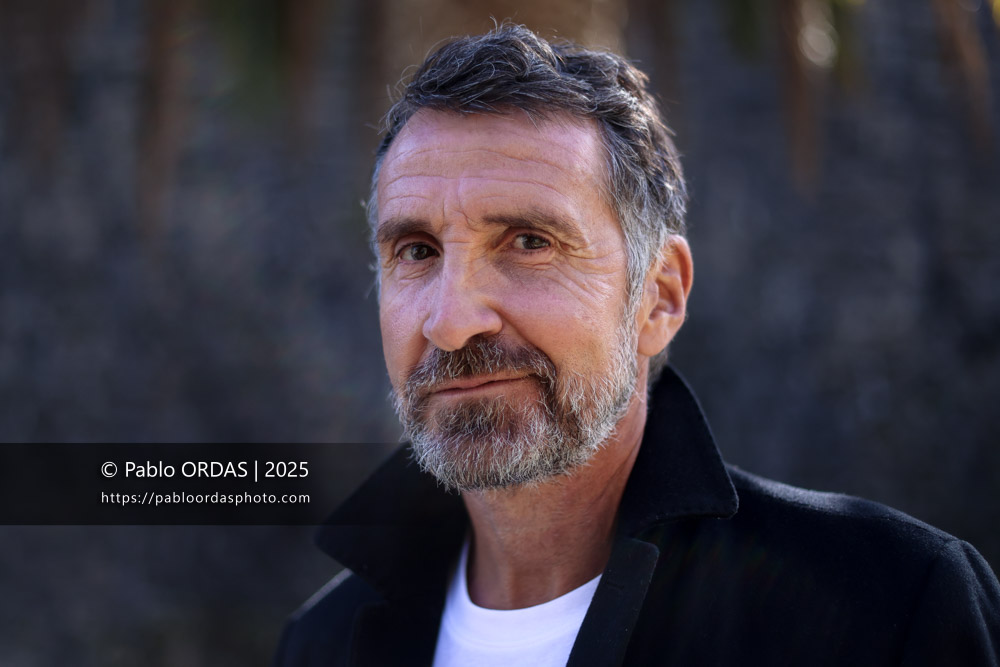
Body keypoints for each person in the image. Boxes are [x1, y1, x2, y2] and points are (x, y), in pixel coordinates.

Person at [273, 23, 1000, 666]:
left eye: (529, 242)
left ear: (660, 296)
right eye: (418, 251)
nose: (452, 322)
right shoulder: (323, 643)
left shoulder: (888, 609)